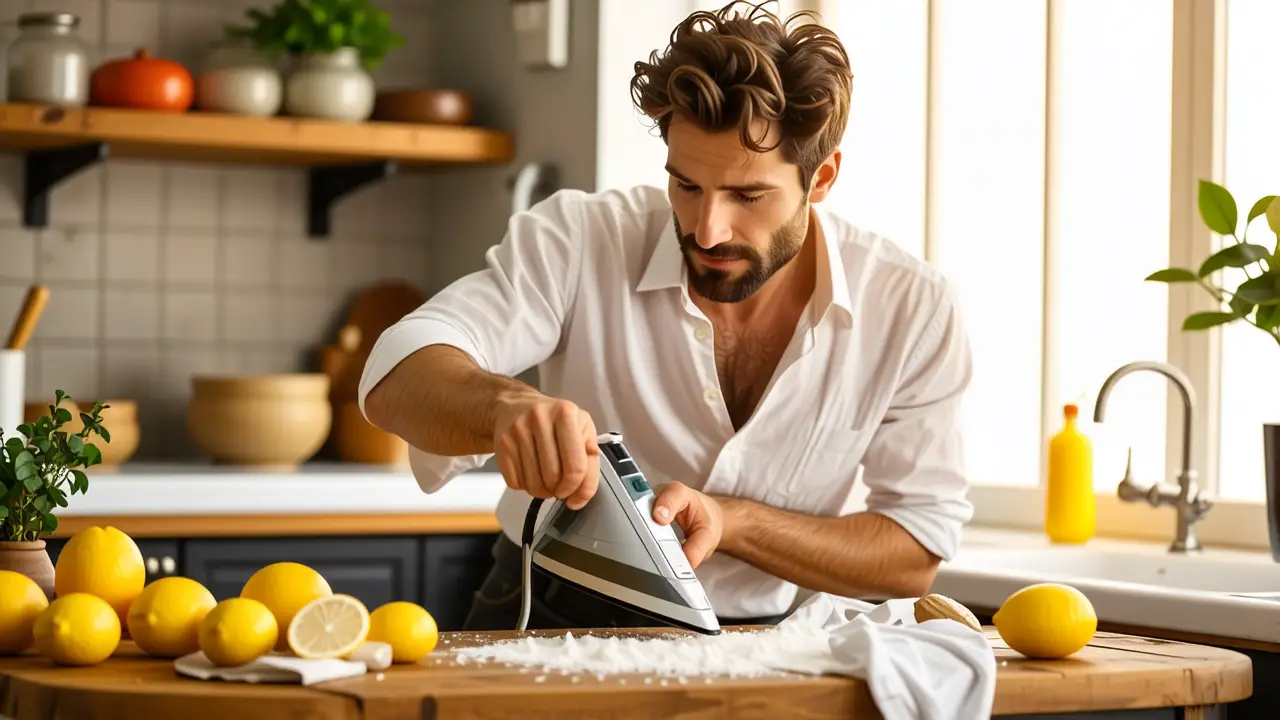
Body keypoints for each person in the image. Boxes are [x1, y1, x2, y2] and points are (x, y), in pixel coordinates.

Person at [358, 1, 974, 632]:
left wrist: (735, 522)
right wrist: (503, 408)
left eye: (748, 195)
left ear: (822, 178)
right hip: (543, 608)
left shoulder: (911, 308)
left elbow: (913, 553)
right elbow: (395, 376)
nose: (708, 230)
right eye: (686, 185)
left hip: (765, 641)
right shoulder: (580, 238)